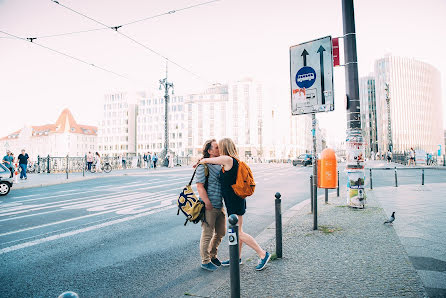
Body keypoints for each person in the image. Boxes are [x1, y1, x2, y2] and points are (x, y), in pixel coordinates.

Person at [197, 138, 271, 271]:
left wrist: (202, 160)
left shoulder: (228, 160)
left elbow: (210, 160)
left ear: (225, 148)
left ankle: (262, 254)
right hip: (236, 200)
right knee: (239, 231)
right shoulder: (232, 160)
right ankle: (236, 258)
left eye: (220, 147)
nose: (219, 150)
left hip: (234, 202)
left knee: (238, 232)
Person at [196, 139, 226, 271]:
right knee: (207, 233)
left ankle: (213, 255)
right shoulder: (203, 166)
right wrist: (207, 202)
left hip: (220, 205)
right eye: (217, 147)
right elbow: (199, 186)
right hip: (209, 205)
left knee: (221, 232)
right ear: (209, 151)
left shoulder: (219, 164)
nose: (219, 149)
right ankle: (205, 260)